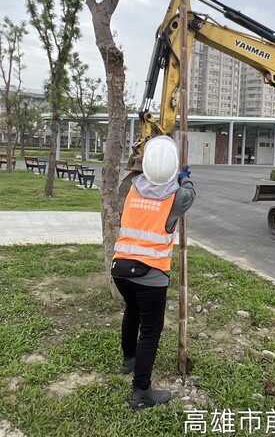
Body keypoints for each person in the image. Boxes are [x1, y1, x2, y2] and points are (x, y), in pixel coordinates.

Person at [110, 135, 196, 410]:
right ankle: (141, 391)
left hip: (121, 269)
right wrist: (185, 177)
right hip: (151, 275)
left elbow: (140, 178)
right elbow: (190, 193)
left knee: (131, 313)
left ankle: (129, 361)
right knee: (150, 329)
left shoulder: (132, 188)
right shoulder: (177, 197)